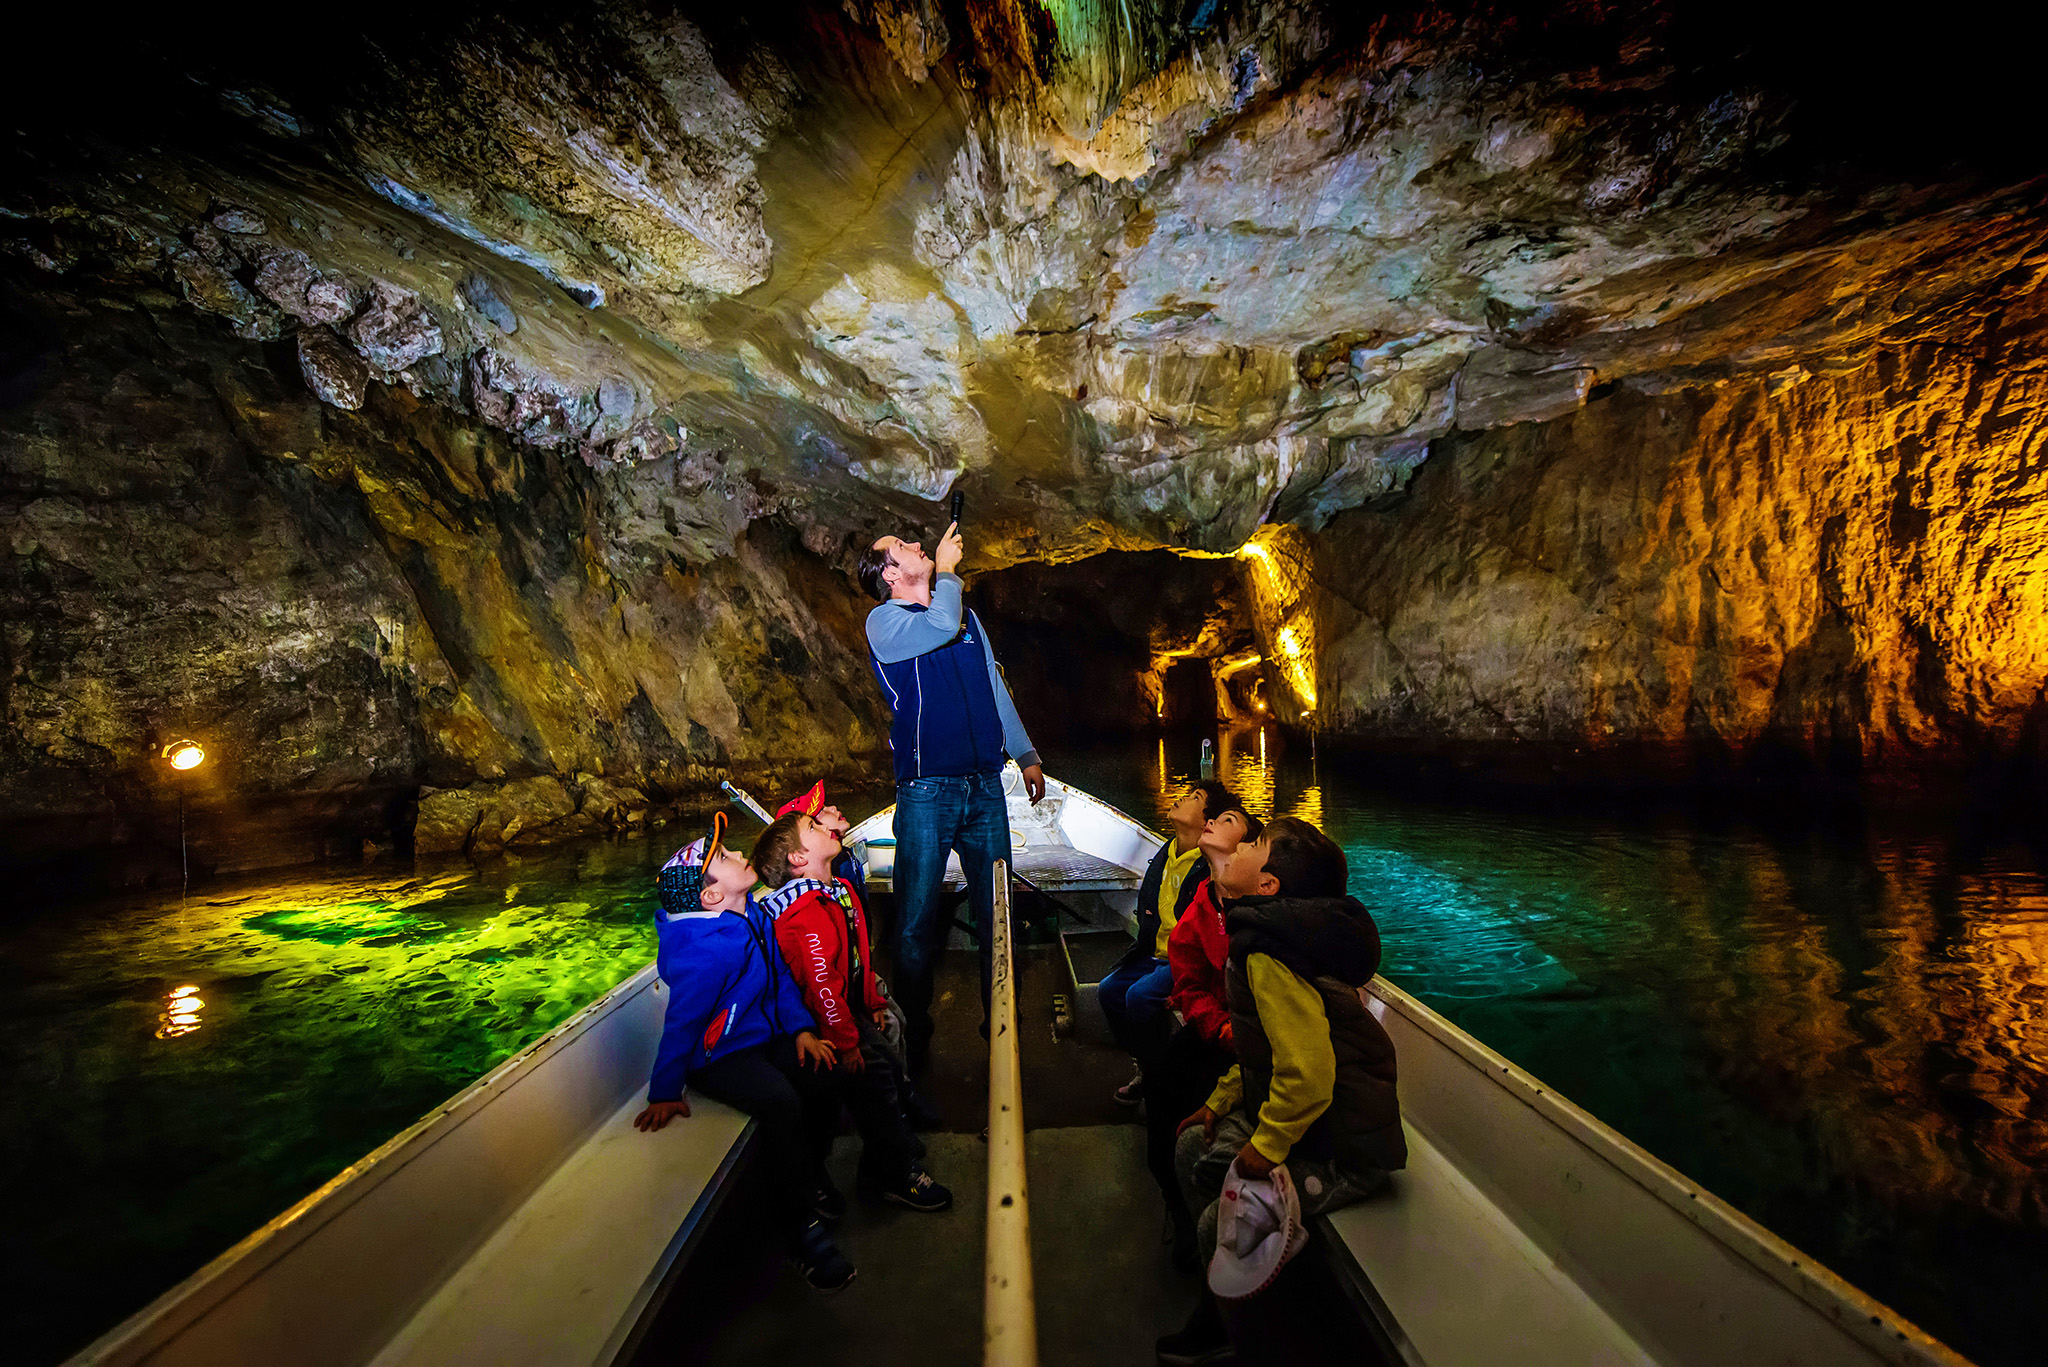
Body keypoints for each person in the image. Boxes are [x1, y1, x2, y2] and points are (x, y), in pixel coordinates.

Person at [1159, 817, 1407, 1366]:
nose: (1242, 844)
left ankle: (1254, 1341)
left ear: (1268, 885)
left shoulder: (1270, 954)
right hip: (1314, 1123)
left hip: (1344, 1149)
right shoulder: (1268, 936)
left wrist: (1264, 1147)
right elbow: (1261, 1053)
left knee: (1213, 1218)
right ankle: (1219, 1294)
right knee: (1192, 1151)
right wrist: (1220, 1101)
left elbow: (1308, 1074)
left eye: (1253, 844)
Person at [633, 812, 857, 1293]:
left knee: (825, 1073)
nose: (738, 853)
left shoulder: (752, 915)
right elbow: (682, 1026)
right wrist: (664, 1091)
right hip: (718, 1057)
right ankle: (798, 1229)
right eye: (725, 857)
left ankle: (811, 1170)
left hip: (762, 1034)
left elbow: (777, 980)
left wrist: (800, 1030)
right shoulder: (705, 954)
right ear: (711, 895)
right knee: (781, 1101)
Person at [858, 519, 1044, 1070]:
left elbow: (992, 686)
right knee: (914, 927)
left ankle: (1001, 1038)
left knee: (997, 917)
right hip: (926, 794)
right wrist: (946, 573)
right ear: (889, 574)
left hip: (985, 787)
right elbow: (938, 624)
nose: (916, 544)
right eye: (902, 547)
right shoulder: (884, 623)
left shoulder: (964, 615)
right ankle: (912, 1054)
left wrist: (1026, 754)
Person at [751, 809, 954, 1214]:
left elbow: (857, 956)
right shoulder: (806, 912)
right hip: (822, 1026)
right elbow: (823, 985)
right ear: (798, 860)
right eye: (812, 827)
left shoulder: (833, 891)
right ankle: (890, 1173)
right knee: (874, 1077)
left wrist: (872, 1003)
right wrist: (846, 1043)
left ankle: (887, 1151)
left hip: (844, 1015)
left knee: (890, 1068)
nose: (824, 826)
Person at [1149, 800, 1263, 1268]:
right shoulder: (1202, 904)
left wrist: (1237, 1036)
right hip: (1218, 1030)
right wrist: (1216, 1025)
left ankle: (1211, 1227)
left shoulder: (1263, 908)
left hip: (1254, 1043)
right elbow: (1189, 981)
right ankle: (1176, 1204)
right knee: (1163, 1083)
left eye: (1229, 821)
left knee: (1196, 1099)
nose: (1212, 820)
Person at [1104, 780, 1237, 1106]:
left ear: (1208, 819)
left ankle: (1155, 1076)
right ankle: (1144, 1061)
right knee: (1108, 991)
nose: (1182, 798)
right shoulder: (1167, 852)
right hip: (1154, 952)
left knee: (1138, 996)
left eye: (1195, 797)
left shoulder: (1206, 866)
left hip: (1180, 962)